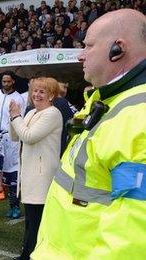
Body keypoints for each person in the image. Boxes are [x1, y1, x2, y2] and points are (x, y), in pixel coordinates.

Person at [34, 9, 146, 259]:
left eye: (89, 46)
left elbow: (131, 241)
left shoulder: (139, 116)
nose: (81, 55)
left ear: (118, 49)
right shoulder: (105, 99)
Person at [8, 77, 62, 260]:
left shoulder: (52, 113)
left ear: (52, 96)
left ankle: (29, 256)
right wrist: (13, 117)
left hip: (41, 174)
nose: (37, 95)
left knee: (36, 220)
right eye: (35, 90)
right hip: (29, 173)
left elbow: (29, 136)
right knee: (30, 219)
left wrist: (16, 117)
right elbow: (16, 136)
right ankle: (27, 254)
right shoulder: (31, 112)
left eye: (42, 91)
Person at [0, 71, 26, 218]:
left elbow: (21, 118)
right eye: (3, 81)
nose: (5, 84)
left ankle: (14, 206)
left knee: (13, 173)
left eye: (8, 81)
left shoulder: (18, 98)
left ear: (13, 81)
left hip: (10, 137)